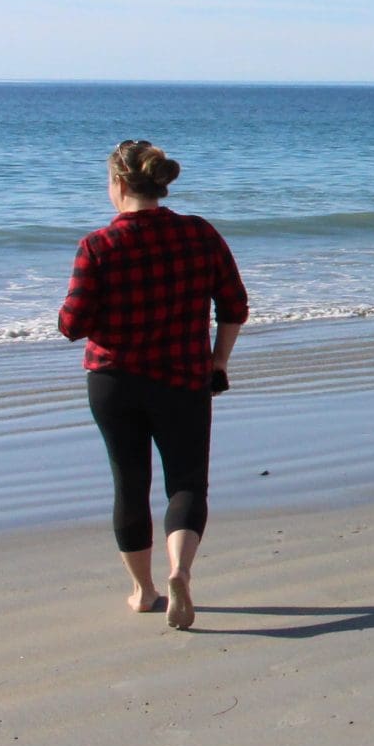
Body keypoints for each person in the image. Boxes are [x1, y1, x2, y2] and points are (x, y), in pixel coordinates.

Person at [58, 139, 248, 629]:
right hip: (183, 375)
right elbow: (234, 305)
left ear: (119, 184)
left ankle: (143, 592)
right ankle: (179, 571)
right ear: (158, 185)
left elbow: (72, 323)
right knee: (186, 482)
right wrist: (217, 361)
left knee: (130, 482)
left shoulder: (97, 246)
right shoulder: (199, 234)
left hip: (113, 379)